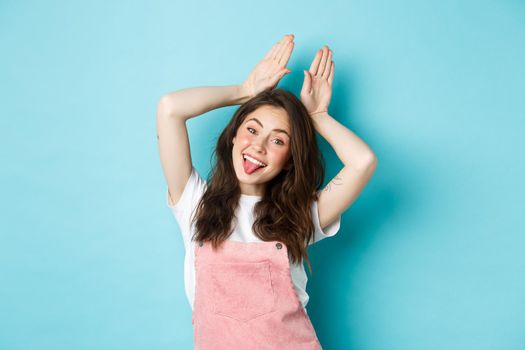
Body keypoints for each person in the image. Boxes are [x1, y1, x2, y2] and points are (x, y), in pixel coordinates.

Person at [156, 34, 377, 349]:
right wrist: (244, 92)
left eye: (277, 140)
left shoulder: (303, 215)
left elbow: (363, 162)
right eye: (251, 129)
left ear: (289, 160)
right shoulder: (194, 203)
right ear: (233, 137)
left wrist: (317, 117)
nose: (257, 147)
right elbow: (169, 109)